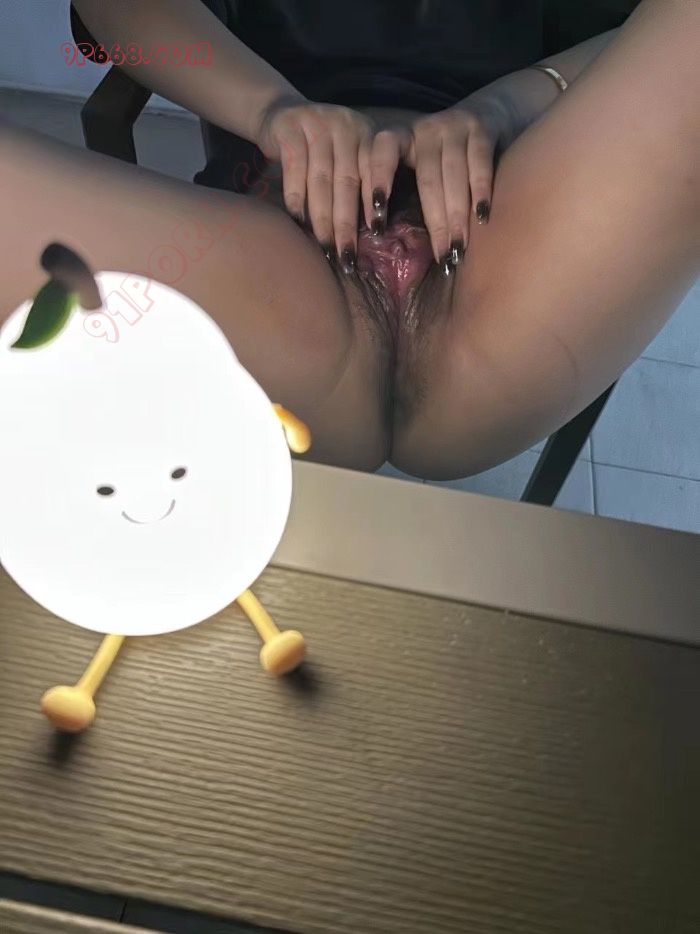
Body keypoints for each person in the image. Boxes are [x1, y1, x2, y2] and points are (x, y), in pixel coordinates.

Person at [1, 0, 698, 479]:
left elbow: (635, 37)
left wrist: (508, 103)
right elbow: (112, 11)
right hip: (276, 249)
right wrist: (271, 109)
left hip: (507, 221)